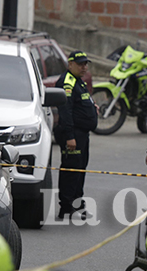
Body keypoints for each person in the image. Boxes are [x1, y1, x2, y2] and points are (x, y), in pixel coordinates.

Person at [54, 51, 98, 219]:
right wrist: (70, 136)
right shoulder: (66, 82)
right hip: (73, 135)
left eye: (86, 64)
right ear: (70, 64)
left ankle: (77, 203)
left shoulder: (78, 81)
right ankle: (66, 205)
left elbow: (83, 102)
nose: (84, 67)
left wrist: (92, 109)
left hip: (82, 134)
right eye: (80, 64)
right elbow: (65, 112)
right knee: (71, 170)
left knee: (79, 169)